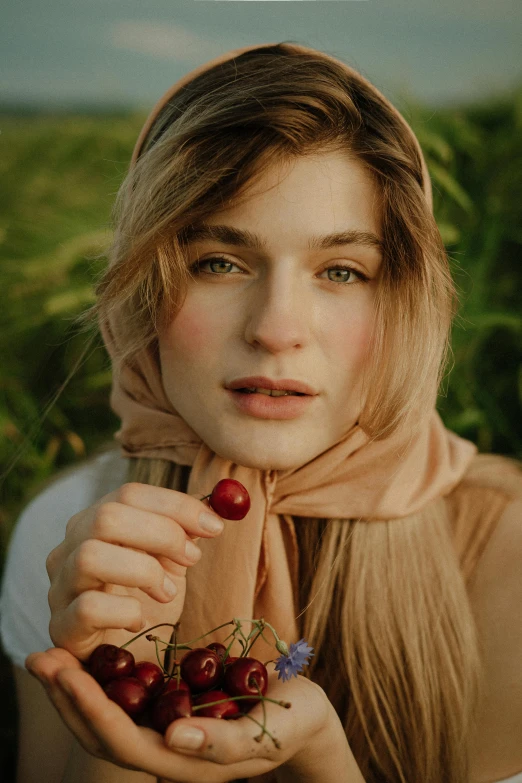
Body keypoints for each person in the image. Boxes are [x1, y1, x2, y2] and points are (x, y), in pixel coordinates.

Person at [1, 40, 521, 783]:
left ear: (405, 305)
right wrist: (116, 696)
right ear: (144, 290)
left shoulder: (512, 555)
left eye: (342, 270)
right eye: (219, 261)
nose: (277, 327)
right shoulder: (73, 541)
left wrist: (321, 763)